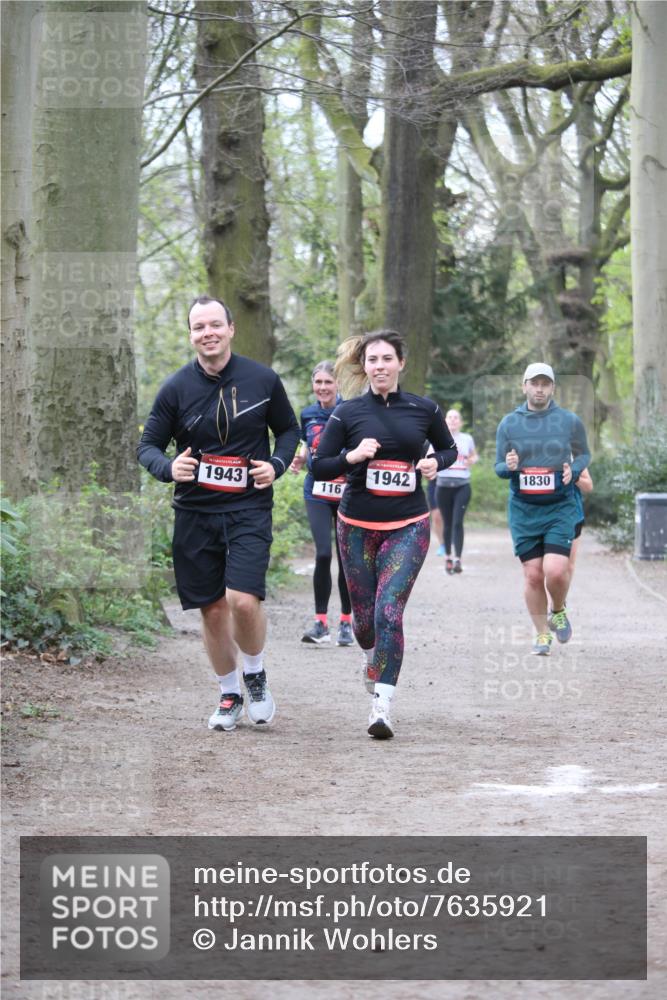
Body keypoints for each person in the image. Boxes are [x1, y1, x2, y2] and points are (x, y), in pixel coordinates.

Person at [137, 295, 300, 732]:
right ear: (191, 335)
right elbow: (147, 446)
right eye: (198, 327)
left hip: (248, 508)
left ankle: (256, 675)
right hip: (195, 512)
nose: (207, 333)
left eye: (214, 325)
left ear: (230, 329)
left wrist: (277, 464)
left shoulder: (262, 379)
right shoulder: (175, 389)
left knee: (243, 602)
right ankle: (229, 694)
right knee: (211, 610)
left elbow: (288, 430)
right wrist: (168, 467)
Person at [312, 331, 457, 739]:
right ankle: (371, 656)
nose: (379, 366)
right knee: (364, 625)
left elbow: (448, 450)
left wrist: (434, 463)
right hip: (356, 526)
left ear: (400, 363)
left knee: (389, 611)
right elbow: (319, 467)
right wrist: (352, 457)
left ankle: (382, 707)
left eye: (386, 359)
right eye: (372, 359)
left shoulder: (424, 409)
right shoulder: (347, 413)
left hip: (409, 524)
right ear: (365, 366)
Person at [495, 362, 591, 656]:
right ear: (524, 386)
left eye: (545, 384)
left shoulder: (569, 421)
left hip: (560, 507)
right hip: (524, 510)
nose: (539, 388)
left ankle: (558, 609)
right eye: (534, 383)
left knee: (556, 571)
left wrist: (572, 472)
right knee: (533, 575)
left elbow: (584, 453)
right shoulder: (509, 424)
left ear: (552, 388)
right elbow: (499, 467)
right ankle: (541, 634)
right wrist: (508, 467)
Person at [289, 361, 353, 646]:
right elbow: (308, 443)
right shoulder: (308, 414)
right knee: (323, 554)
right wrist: (301, 457)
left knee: (345, 558)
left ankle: (346, 624)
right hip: (315, 490)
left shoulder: (351, 411)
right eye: (318, 383)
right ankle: (320, 623)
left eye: (328, 382)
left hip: (346, 492)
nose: (323, 388)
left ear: (337, 383)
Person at [436, 408, 478, 574]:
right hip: (443, 486)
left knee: (457, 522)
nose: (453, 420)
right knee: (447, 522)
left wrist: (472, 460)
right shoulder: (438, 438)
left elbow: (474, 456)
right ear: (445, 421)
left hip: (462, 485)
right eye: (450, 417)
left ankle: (458, 559)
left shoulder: (467, 439)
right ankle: (447, 557)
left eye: (456, 418)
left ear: (460, 422)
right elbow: (430, 457)